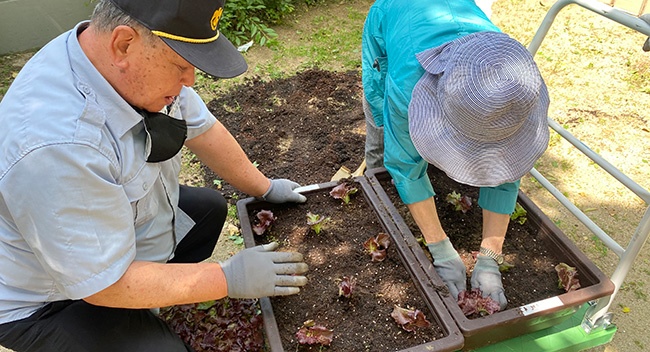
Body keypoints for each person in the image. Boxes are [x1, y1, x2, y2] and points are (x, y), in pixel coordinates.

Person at [0, 0, 310, 350]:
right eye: (180, 65)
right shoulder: (58, 144)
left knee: (208, 209)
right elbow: (103, 284)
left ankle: (144, 304)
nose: (190, 79)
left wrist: (265, 187)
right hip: (45, 299)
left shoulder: (119, 64)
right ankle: (125, 321)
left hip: (90, 239)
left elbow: (204, 131)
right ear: (123, 44)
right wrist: (226, 278)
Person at [362, 0, 550, 310]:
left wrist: (491, 254)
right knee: (381, 118)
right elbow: (405, 166)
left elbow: (507, 169)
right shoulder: (407, 89)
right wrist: (440, 248)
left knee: (487, 135)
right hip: (394, 14)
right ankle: (374, 180)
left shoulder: (514, 85)